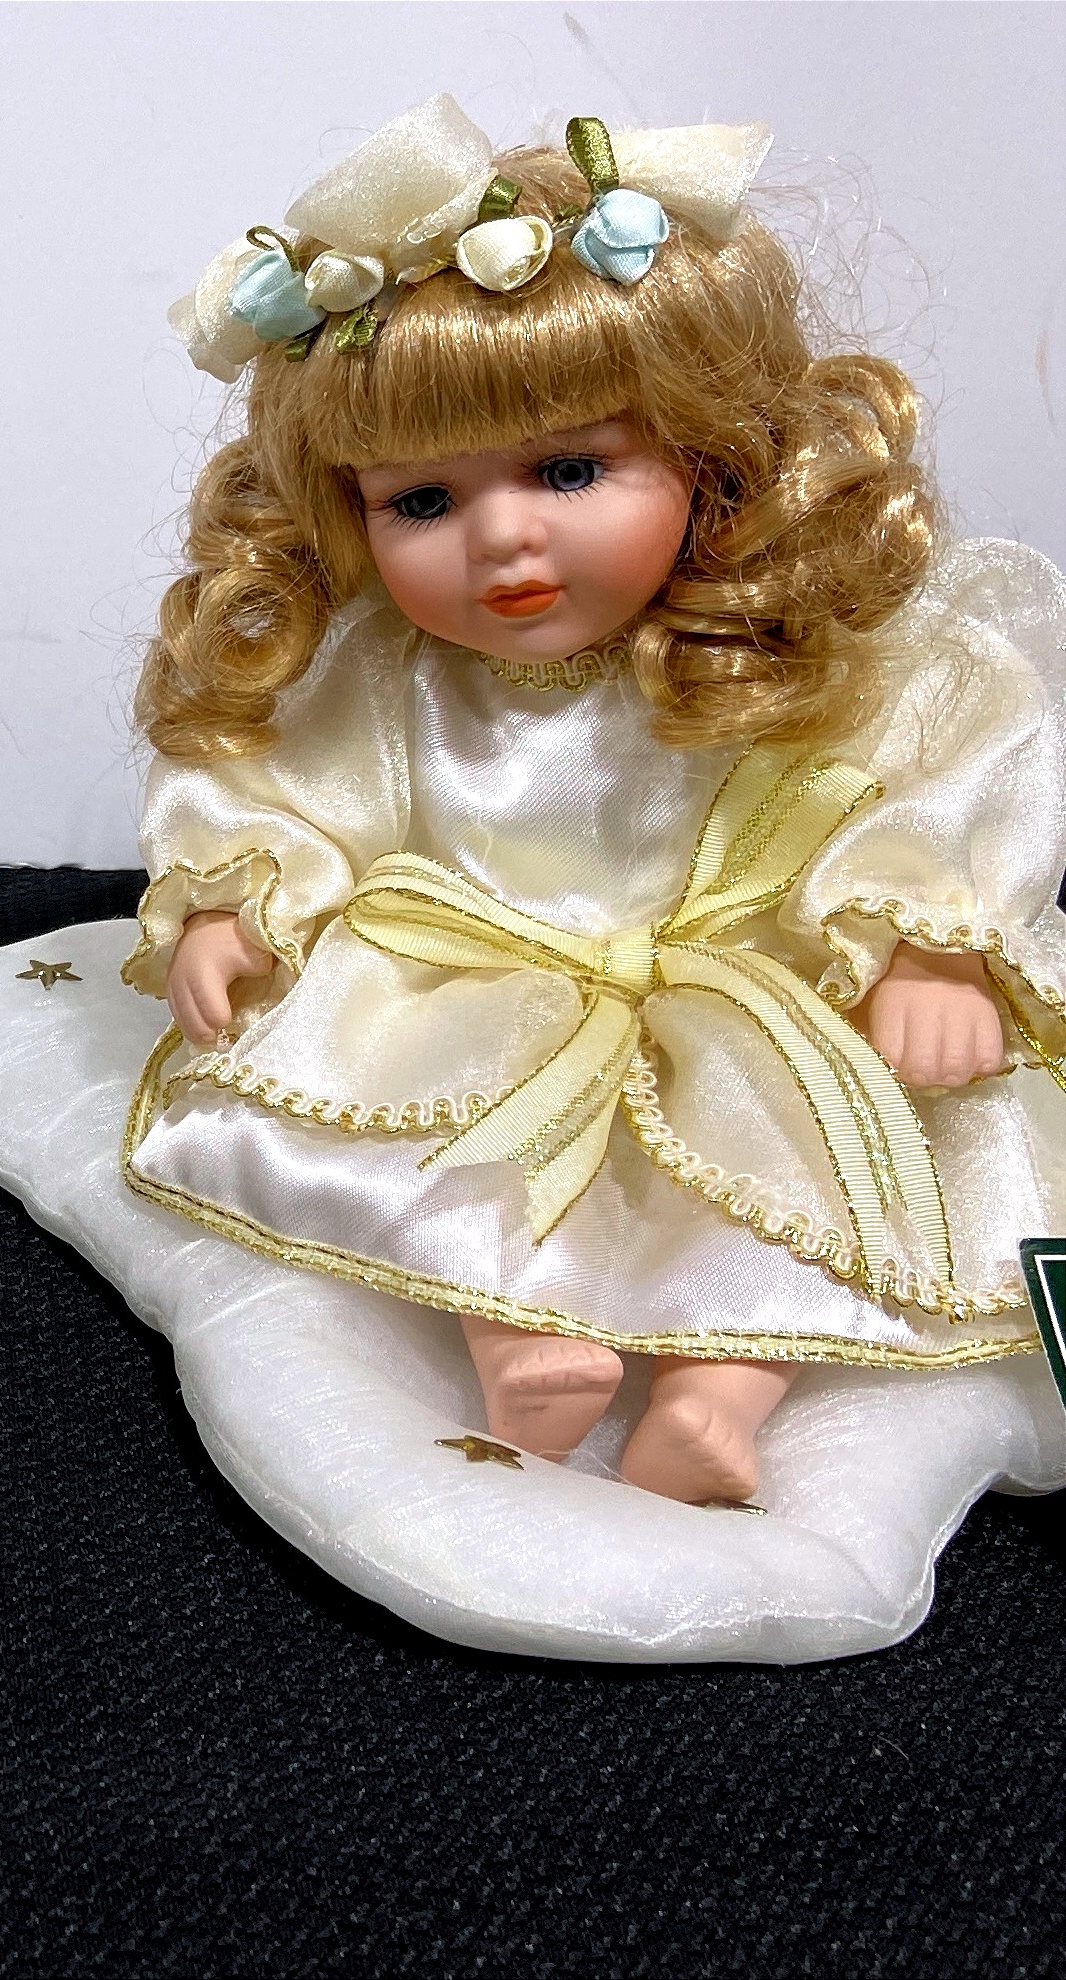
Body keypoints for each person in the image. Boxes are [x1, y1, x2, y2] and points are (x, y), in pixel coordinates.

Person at [127, 96, 1066, 1503]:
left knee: (793, 1162)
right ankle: (522, 1341)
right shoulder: (386, 669)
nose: (503, 538)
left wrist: (931, 944)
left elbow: (952, 755)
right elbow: (282, 781)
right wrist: (235, 902)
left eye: (570, 470)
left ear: (708, 451)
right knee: (443, 1144)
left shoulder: (793, 648)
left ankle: (718, 1392)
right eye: (421, 502)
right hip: (476, 982)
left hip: (744, 989)